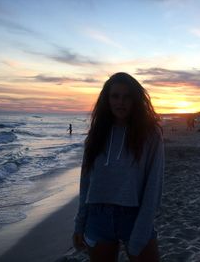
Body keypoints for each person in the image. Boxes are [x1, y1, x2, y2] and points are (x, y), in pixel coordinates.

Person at [72, 72, 164, 262]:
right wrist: (79, 223)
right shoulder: (96, 136)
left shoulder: (150, 135)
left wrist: (142, 230)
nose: (120, 102)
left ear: (135, 100)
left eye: (127, 96)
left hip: (134, 217)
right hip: (98, 218)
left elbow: (153, 186)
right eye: (115, 96)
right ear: (106, 99)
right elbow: (86, 183)